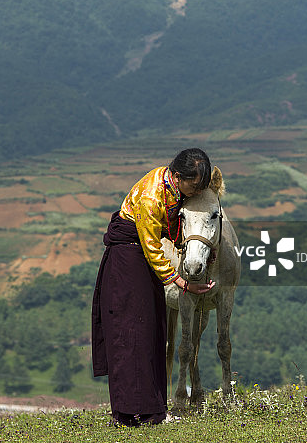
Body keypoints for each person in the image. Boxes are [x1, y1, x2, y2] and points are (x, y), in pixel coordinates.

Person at [91, 147, 215, 426]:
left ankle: (151, 410)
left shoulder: (173, 188)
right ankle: (130, 412)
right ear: (178, 175)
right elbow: (152, 248)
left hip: (140, 262)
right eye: (193, 186)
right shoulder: (151, 196)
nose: (195, 192)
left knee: (150, 332)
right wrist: (183, 283)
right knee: (131, 334)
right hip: (128, 260)